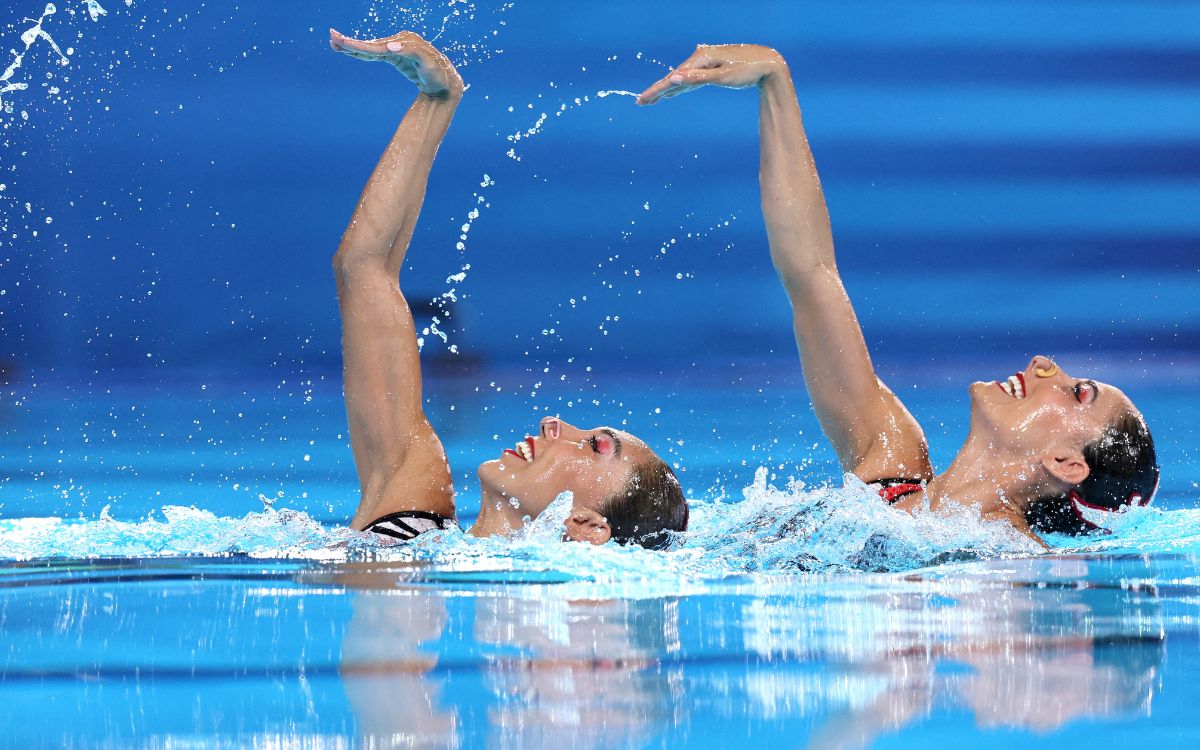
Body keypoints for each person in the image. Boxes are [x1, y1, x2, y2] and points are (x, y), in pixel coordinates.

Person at [635, 44, 1159, 542]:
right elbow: (811, 272)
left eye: (1077, 393)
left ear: (1067, 464)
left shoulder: (1017, 572)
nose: (1046, 364)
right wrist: (775, 79)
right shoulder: (889, 456)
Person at [328, 29, 688, 548]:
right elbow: (363, 269)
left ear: (589, 529)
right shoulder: (413, 507)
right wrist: (437, 100)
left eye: (593, 448)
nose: (554, 423)